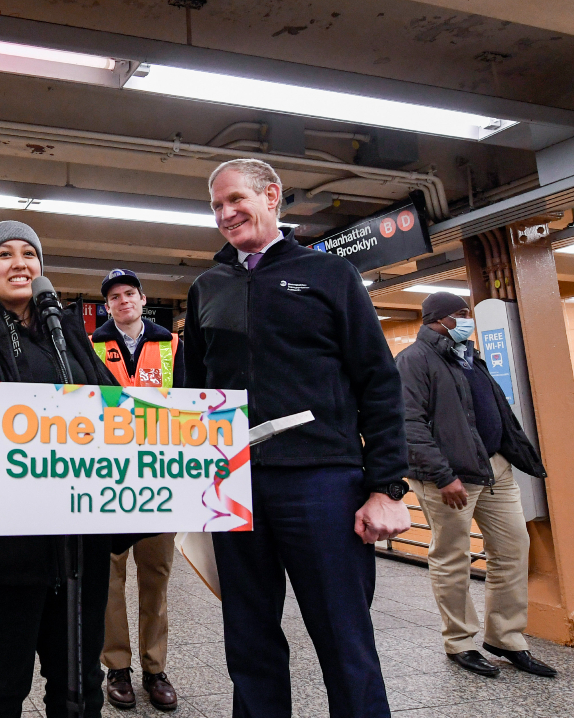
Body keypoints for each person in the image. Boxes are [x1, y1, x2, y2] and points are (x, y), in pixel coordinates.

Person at [183, 159, 411, 718]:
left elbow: (378, 381)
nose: (225, 213)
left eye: (235, 199)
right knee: (250, 640)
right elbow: (189, 394)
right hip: (234, 486)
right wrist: (186, 482)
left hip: (323, 483)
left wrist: (386, 486)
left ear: (271, 196)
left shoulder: (329, 276)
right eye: (216, 206)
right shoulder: (207, 286)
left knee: (344, 638)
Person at [0, 220, 119, 718]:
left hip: (78, 547)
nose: (20, 264)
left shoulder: (69, 334)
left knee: (79, 685)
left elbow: (114, 413)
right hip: (0, 553)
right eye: (4, 255)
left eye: (29, 254)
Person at [396, 292, 556, 678]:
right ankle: (460, 642)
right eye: (460, 314)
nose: (467, 319)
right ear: (438, 319)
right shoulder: (413, 361)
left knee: (514, 547)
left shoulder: (468, 355)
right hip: (448, 478)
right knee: (452, 557)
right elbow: (409, 424)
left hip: (494, 468)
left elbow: (493, 410)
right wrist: (443, 475)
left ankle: (505, 637)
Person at [91, 269, 183, 712]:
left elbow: (192, 406)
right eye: (114, 296)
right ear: (106, 305)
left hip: (158, 477)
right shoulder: (90, 346)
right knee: (110, 577)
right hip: (106, 478)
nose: (123, 300)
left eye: (130, 293)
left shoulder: (172, 346)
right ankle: (118, 667)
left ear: (144, 298)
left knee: (156, 575)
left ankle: (155, 667)